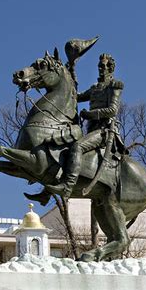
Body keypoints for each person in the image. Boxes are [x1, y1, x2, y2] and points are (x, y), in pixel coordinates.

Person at [45, 53, 125, 199]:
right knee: (62, 148)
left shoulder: (114, 85)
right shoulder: (95, 88)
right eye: (100, 66)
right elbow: (75, 96)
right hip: (91, 130)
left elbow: (112, 110)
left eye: (105, 66)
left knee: (77, 147)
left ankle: (67, 186)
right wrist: (69, 72)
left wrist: (90, 114)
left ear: (111, 68)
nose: (102, 68)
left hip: (104, 131)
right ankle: (46, 192)